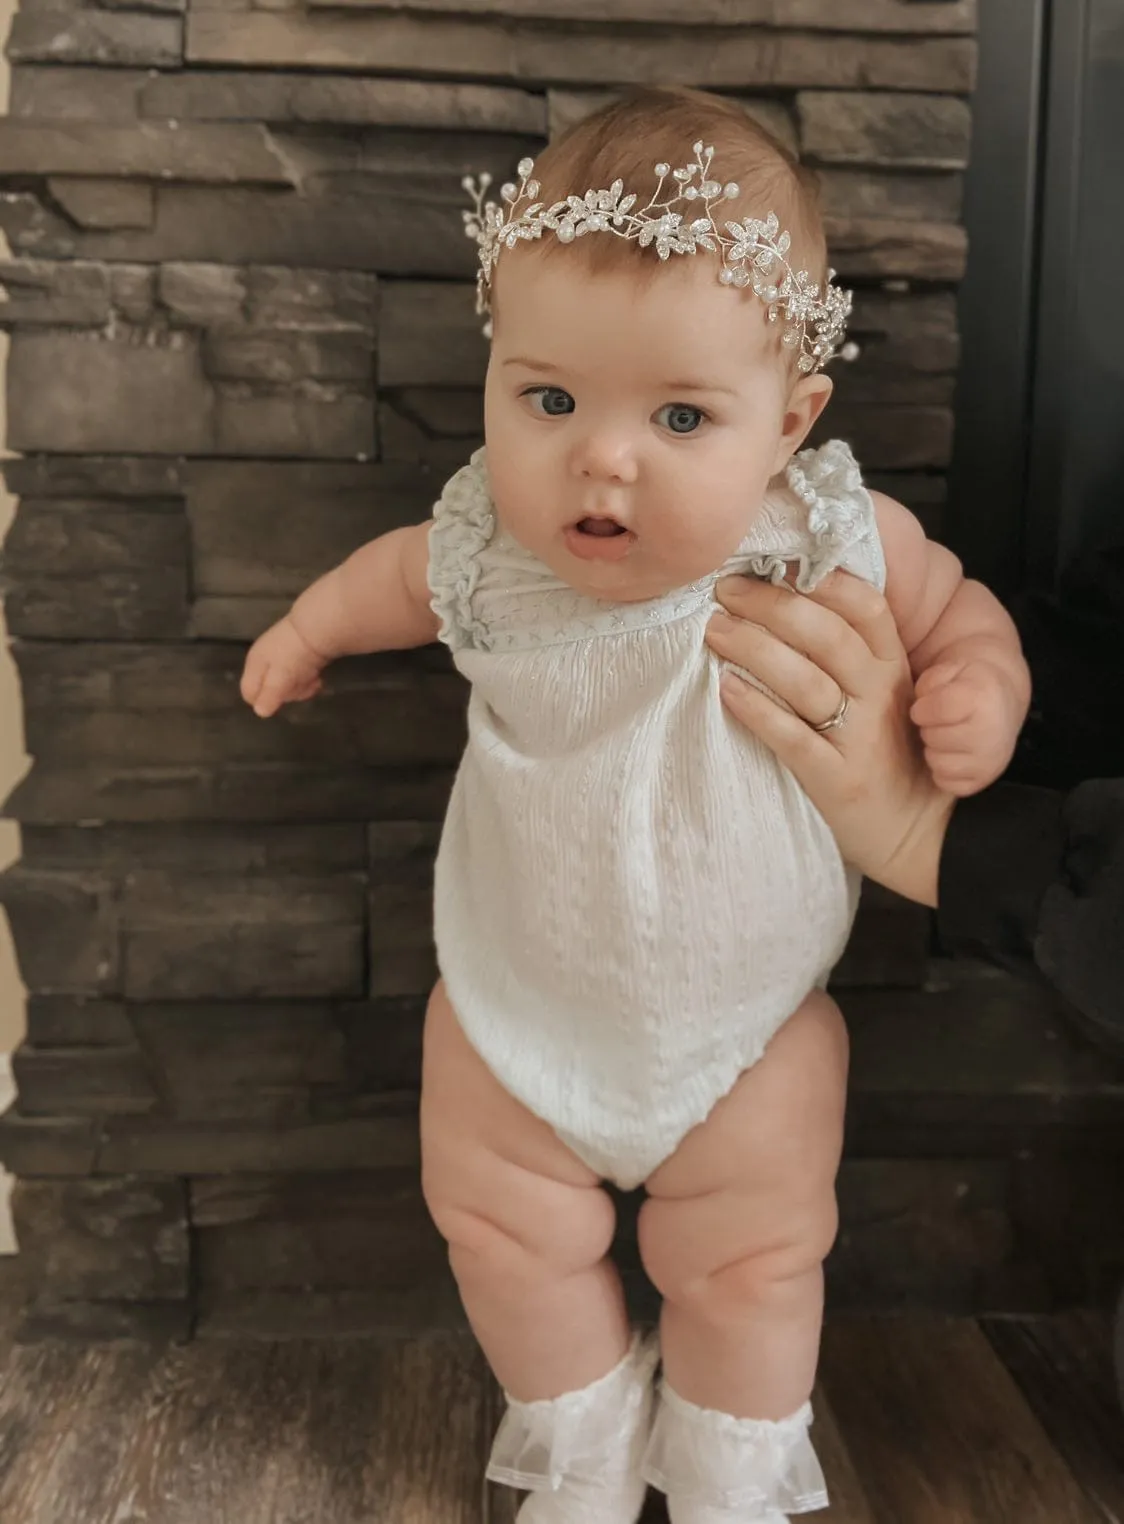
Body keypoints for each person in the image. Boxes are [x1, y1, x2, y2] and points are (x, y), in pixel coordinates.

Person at [239, 88, 1031, 1524]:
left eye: (680, 416)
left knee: (753, 1257)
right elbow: (394, 578)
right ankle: (583, 1444)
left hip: (746, 1031)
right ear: (495, 379)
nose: (602, 459)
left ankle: (729, 1470)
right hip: (512, 1012)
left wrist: (977, 685)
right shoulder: (486, 537)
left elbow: (957, 603)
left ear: (789, 424)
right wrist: (305, 631)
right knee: (492, 1221)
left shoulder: (826, 535)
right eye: (550, 400)